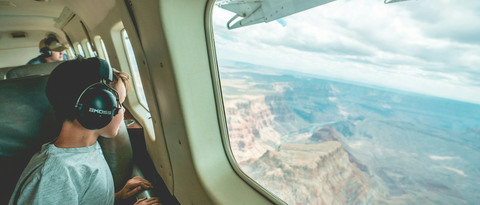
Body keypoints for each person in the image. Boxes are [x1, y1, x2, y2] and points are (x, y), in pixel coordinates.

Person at [8, 58, 160, 205]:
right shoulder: (55, 175)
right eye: (119, 103)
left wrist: (117, 196)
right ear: (97, 105)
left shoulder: (87, 148)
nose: (123, 110)